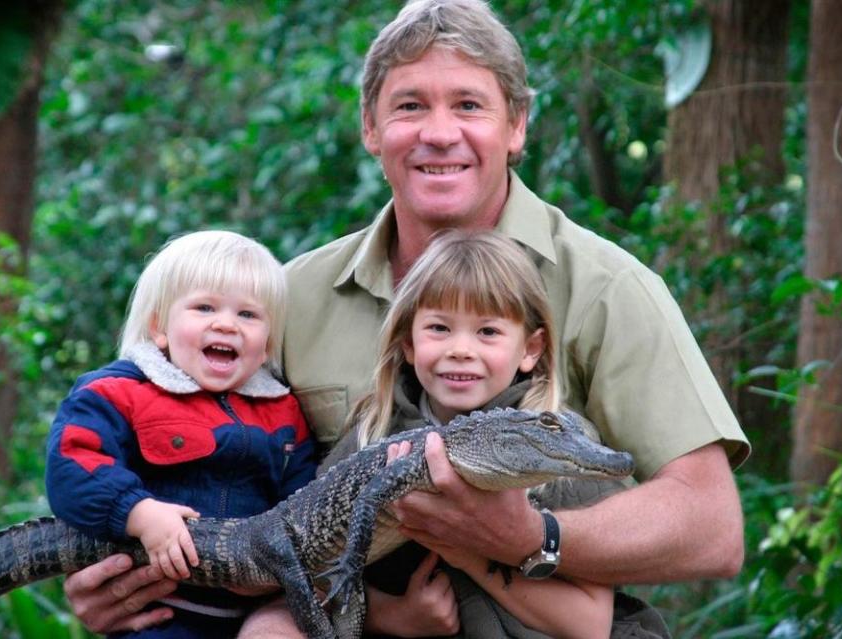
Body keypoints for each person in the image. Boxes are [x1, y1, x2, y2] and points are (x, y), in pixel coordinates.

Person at [62, 0, 750, 636]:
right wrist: (114, 564)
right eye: (411, 105)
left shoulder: (607, 286)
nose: (440, 133)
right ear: (370, 127)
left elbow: (712, 528)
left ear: (517, 127)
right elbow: (191, 455)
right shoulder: (287, 295)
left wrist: (529, 538)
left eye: (470, 105)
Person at [314, 229, 616, 638]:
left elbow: (591, 625)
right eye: (439, 328)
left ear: (531, 349)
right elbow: (310, 562)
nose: (461, 349)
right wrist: (394, 615)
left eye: (487, 332)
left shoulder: (559, 447)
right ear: (408, 343)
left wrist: (468, 549)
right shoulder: (372, 433)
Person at [45, 230, 317, 638]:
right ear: (160, 327)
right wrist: (139, 512)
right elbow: (73, 464)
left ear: (267, 345)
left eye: (248, 315)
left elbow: (303, 496)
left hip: (257, 615)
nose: (226, 324)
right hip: (160, 612)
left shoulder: (284, 411)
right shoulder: (118, 392)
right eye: (204, 307)